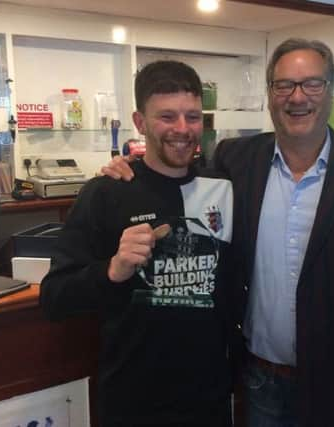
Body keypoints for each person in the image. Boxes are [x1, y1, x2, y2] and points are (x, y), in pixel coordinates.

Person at [102, 38, 334, 427]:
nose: (297, 97)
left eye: (312, 84)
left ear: (330, 90)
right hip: (260, 381)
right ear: (270, 94)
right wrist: (125, 171)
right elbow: (176, 175)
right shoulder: (237, 159)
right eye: (284, 85)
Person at [40, 61, 234, 427]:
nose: (182, 129)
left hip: (209, 398)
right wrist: (112, 270)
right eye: (167, 116)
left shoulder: (222, 185)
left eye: (192, 117)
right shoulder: (107, 192)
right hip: (134, 400)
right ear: (140, 122)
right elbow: (54, 299)